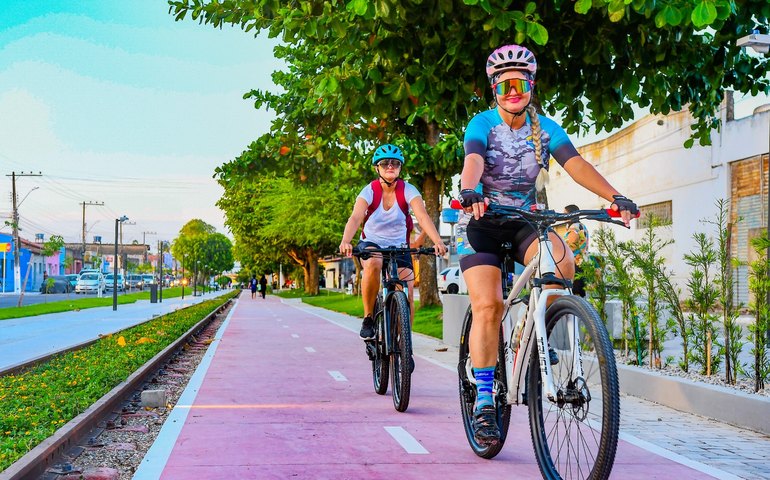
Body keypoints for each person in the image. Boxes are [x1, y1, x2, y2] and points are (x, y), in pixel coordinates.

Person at [457, 44, 638, 447]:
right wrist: (470, 190)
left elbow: (575, 164)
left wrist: (615, 197)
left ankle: (529, 335)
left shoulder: (547, 128)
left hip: (525, 221)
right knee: (489, 306)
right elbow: (474, 160)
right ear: (494, 90)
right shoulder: (482, 124)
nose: (512, 92)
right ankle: (485, 398)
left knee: (562, 262)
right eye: (504, 86)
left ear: (531, 86)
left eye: (520, 83)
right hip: (481, 222)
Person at [339, 143, 448, 347]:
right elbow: (355, 217)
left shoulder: (408, 190)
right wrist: (346, 240)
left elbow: (422, 216)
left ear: (400, 167)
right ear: (377, 168)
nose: (390, 166)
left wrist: (438, 241)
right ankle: (369, 317)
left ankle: (404, 345)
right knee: (374, 263)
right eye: (385, 163)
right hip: (372, 242)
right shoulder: (369, 191)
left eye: (395, 163)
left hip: (398, 245)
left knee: (405, 289)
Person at [562, 204, 589, 297]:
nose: (563, 215)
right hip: (582, 260)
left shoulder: (574, 228)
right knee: (580, 290)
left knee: (575, 289)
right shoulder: (582, 226)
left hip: (575, 261)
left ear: (571, 214)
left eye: (565, 213)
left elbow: (571, 246)